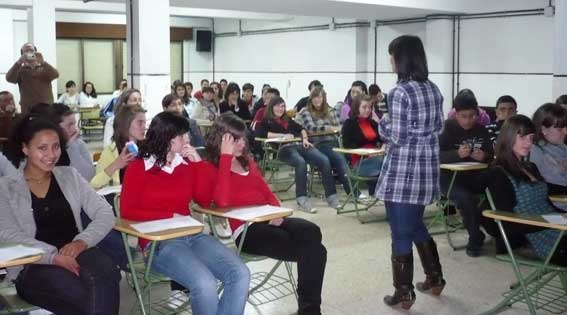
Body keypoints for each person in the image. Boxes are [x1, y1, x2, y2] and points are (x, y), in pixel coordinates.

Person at [120, 111, 250, 315]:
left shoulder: (185, 165)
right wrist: (169, 217)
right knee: (204, 282)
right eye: (182, 136)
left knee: (240, 273)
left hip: (192, 235)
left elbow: (205, 200)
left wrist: (198, 163)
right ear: (169, 139)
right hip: (158, 244)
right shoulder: (138, 168)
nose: (187, 140)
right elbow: (127, 211)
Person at [199, 113, 327, 315]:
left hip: (268, 218)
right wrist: (225, 157)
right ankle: (310, 311)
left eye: (242, 138)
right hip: (246, 229)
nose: (242, 143)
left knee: (312, 231)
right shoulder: (212, 167)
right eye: (236, 139)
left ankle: (308, 310)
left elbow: (266, 192)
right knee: (316, 252)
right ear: (222, 139)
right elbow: (222, 201)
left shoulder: (247, 161)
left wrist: (278, 214)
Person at [0, 115, 119, 315]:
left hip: (79, 251)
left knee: (108, 274)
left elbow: (105, 213)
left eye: (56, 146)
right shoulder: (6, 187)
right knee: (85, 295)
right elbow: (7, 234)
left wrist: (81, 242)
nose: (51, 154)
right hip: (34, 264)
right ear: (25, 148)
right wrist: (52, 256)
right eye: (42, 148)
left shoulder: (70, 176)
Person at [376, 35, 446, 309]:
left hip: (404, 172)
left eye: (392, 55)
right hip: (426, 170)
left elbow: (399, 136)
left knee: (400, 233)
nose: (390, 61)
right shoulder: (434, 89)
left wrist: (383, 124)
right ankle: (435, 277)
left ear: (402, 58)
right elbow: (440, 127)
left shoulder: (400, 92)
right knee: (415, 225)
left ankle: (403, 292)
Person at [487, 114, 567, 266]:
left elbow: (545, 203)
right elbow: (508, 222)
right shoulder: (498, 173)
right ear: (508, 137)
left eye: (531, 138)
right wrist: (550, 222)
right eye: (523, 138)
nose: (529, 143)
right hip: (541, 240)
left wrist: (561, 216)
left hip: (557, 229)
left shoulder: (530, 167)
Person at [255, 97, 336, 213]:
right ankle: (302, 199)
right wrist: (283, 136)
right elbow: (261, 133)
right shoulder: (267, 121)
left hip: (299, 145)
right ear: (271, 107)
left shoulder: (288, 119)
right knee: (300, 162)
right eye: (277, 106)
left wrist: (305, 138)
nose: (280, 109)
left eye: (282, 106)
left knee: (324, 159)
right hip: (283, 149)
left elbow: (302, 128)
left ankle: (331, 196)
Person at [439, 89, 493, 257]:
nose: (469, 120)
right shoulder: (445, 128)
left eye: (472, 116)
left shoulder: (481, 130)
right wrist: (456, 155)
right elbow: (434, 156)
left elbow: (491, 156)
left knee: (500, 185)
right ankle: (475, 236)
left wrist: (484, 156)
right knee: (466, 199)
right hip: (448, 178)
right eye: (464, 116)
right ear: (456, 114)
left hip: (474, 176)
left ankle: (505, 232)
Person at [296, 86, 351, 208]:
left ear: (324, 98)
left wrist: (334, 129)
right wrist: (329, 128)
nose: (317, 100)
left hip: (334, 143)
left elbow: (340, 127)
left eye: (319, 97)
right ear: (311, 99)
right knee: (337, 160)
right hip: (317, 144)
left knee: (343, 160)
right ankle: (342, 194)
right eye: (314, 97)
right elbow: (311, 128)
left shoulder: (330, 110)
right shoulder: (305, 111)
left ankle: (352, 192)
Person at [91, 104, 146, 190]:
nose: (144, 127)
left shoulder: (148, 148)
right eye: (140, 123)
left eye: (145, 123)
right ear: (126, 125)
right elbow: (94, 184)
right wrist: (116, 164)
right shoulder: (110, 151)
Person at [341, 95, 384, 195]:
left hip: (376, 158)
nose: (368, 110)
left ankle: (376, 193)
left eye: (369, 107)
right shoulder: (349, 124)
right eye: (364, 107)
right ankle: (377, 193)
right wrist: (367, 153)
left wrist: (382, 147)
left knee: (389, 159)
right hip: (359, 162)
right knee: (385, 162)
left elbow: (383, 139)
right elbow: (347, 145)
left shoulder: (373, 123)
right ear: (357, 108)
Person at [5, 43, 59, 114]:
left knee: (46, 124)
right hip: (28, 107)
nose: (29, 52)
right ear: (22, 55)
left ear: (36, 52)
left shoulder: (44, 68)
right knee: (29, 125)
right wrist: (18, 62)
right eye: (26, 51)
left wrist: (43, 62)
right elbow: (9, 78)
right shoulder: (20, 70)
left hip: (46, 106)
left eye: (31, 50)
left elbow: (55, 75)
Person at [48, 103, 96, 181]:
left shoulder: (78, 144)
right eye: (69, 125)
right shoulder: (48, 149)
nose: (74, 129)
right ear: (55, 127)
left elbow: (88, 176)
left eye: (74, 124)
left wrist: (71, 147)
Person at [529, 103, 567, 200]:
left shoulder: (562, 147)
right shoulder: (535, 151)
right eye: (560, 129)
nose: (565, 132)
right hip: (556, 204)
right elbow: (549, 186)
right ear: (543, 129)